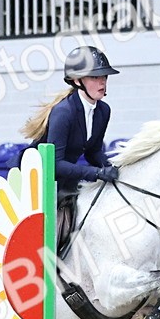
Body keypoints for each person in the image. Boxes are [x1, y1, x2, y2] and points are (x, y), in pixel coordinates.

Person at [20, 45, 121, 256]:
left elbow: (93, 151)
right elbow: (54, 165)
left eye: (104, 76)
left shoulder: (103, 110)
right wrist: (97, 173)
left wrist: (113, 168)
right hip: (36, 183)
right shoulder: (63, 112)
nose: (102, 82)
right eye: (95, 77)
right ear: (77, 80)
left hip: (64, 183)